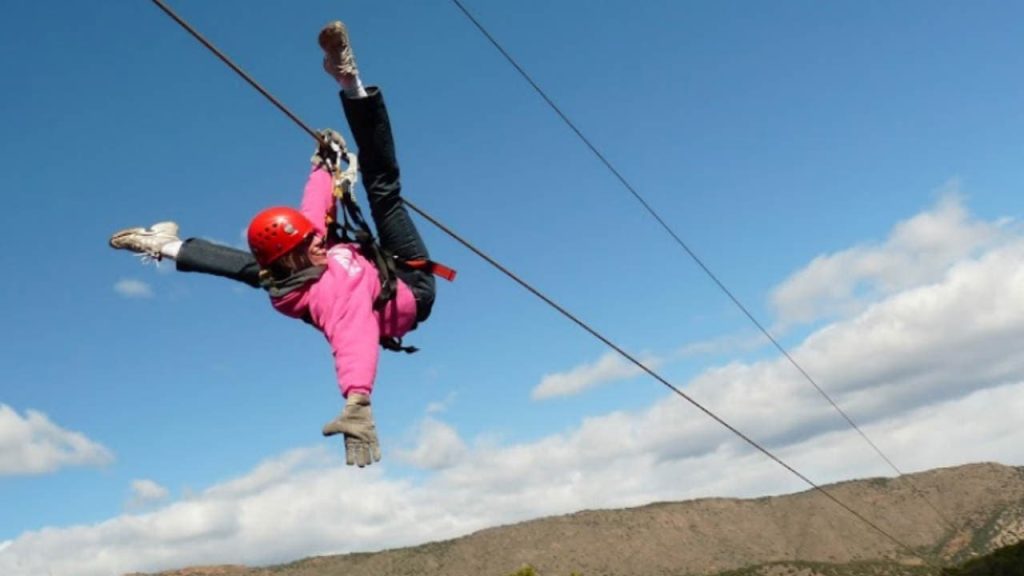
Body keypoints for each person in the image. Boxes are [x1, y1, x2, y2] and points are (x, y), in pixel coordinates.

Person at [109, 21, 437, 468]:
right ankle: (352, 86)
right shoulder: (330, 296)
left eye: (310, 239)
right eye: (309, 245)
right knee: (383, 191)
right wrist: (358, 402)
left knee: (254, 272)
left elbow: (314, 208)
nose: (317, 243)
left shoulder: (297, 256)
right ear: (296, 257)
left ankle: (347, 78)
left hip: (353, 271)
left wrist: (323, 166)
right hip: (410, 286)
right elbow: (353, 339)